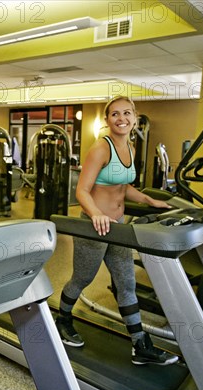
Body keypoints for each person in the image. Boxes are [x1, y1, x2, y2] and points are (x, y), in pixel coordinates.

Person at [55, 96, 179, 366]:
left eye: (126, 113)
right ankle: (62, 318)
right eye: (114, 114)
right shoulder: (101, 148)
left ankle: (139, 344)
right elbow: (82, 190)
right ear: (107, 119)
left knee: (127, 283)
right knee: (82, 279)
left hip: (119, 227)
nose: (121, 118)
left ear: (135, 117)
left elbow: (122, 187)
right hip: (94, 226)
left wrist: (148, 200)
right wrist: (96, 213)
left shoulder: (131, 149)